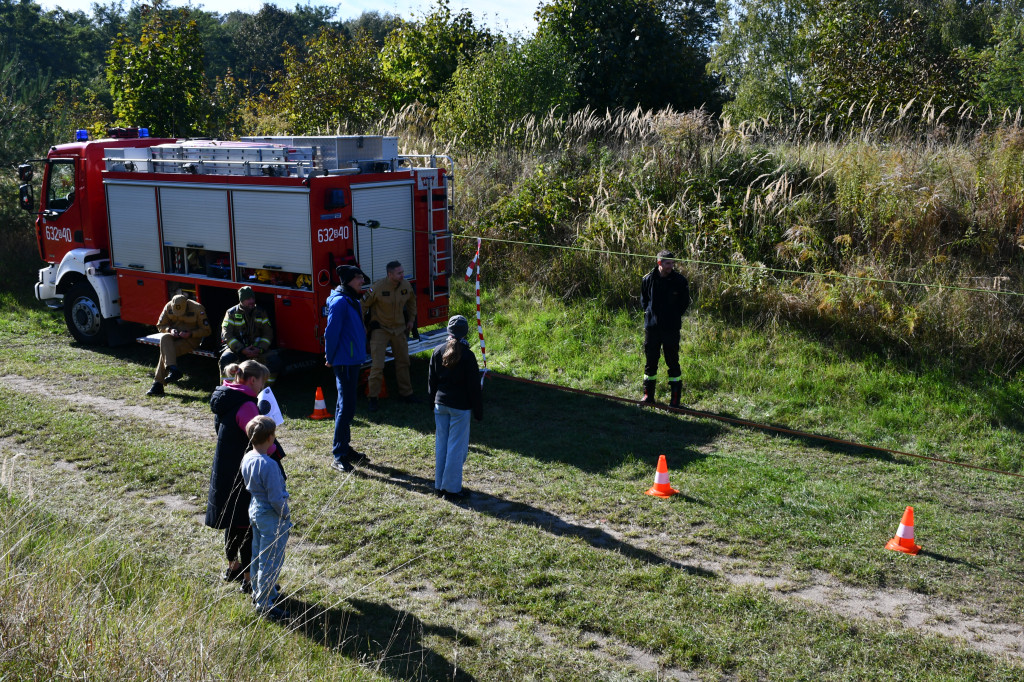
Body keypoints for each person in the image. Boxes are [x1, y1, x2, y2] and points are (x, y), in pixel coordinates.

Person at [205, 360, 277, 595]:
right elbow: (258, 439)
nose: (261, 388)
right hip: (242, 473)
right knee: (246, 526)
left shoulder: (227, 396)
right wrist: (275, 450)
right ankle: (248, 578)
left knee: (231, 521)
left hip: (226, 468)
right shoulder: (246, 405)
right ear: (253, 380)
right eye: (262, 382)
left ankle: (232, 567)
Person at [240, 415, 292, 621]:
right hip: (270, 514)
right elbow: (275, 497)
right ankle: (264, 605)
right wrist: (285, 513)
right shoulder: (269, 465)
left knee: (258, 554)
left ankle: (260, 591)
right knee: (270, 559)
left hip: (254, 508)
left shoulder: (247, 457)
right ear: (270, 438)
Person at [428, 315, 483, 501]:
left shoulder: (437, 350)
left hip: (440, 405)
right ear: (465, 332)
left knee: (441, 445)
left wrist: (432, 403)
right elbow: (474, 387)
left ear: (448, 331)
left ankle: (439, 486)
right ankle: (451, 489)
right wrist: (478, 411)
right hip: (460, 407)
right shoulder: (468, 356)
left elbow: (431, 382)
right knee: (456, 448)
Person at [325, 265, 370, 473]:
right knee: (347, 408)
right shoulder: (340, 302)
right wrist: (330, 357)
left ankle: (344, 447)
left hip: (353, 359)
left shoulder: (352, 299)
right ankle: (339, 455)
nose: (362, 281)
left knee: (344, 406)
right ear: (349, 280)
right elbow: (331, 333)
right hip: (344, 361)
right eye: (359, 278)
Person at [362, 260, 419, 411]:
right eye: (399, 273)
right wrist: (362, 326)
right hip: (380, 330)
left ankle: (406, 394)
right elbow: (362, 305)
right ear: (390, 274)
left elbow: (412, 301)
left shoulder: (406, 286)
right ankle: (373, 398)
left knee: (403, 362)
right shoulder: (377, 287)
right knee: (378, 365)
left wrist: (411, 320)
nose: (402, 275)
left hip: (399, 329)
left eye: (402, 272)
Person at [640, 250, 690, 407]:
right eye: (668, 263)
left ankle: (675, 401)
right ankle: (648, 396)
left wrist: (673, 316)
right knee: (650, 362)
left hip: (671, 329)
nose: (671, 266)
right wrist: (650, 314)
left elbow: (684, 302)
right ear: (659, 263)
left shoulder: (680, 281)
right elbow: (644, 300)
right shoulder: (648, 279)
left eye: (672, 263)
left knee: (672, 362)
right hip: (652, 328)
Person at [146, 293, 211, 397]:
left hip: (191, 339)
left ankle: (158, 384)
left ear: (187, 305)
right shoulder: (168, 307)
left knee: (166, 353)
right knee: (164, 338)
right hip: (174, 336)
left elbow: (207, 331)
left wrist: (191, 333)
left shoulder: (197, 309)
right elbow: (160, 325)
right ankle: (172, 368)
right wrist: (170, 330)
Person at [219, 286, 282, 384]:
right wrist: (242, 349)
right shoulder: (231, 313)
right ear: (241, 300)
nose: (252, 301)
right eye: (248, 299)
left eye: (253, 298)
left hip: (257, 349)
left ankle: (265, 390)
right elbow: (227, 334)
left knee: (275, 361)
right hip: (237, 349)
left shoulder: (261, 312)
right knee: (225, 359)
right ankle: (227, 389)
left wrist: (260, 348)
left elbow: (268, 333)